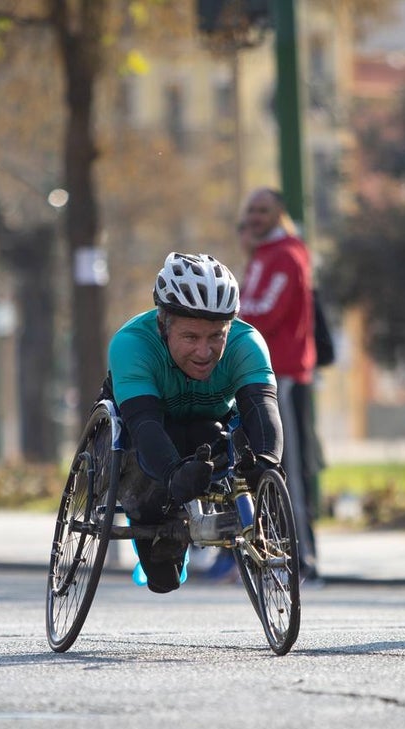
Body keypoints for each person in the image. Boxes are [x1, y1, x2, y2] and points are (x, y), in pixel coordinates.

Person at [104, 251, 283, 594]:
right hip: (146, 440)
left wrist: (266, 464)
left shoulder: (247, 344)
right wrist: (173, 474)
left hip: (207, 430)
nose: (204, 352)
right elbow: (144, 426)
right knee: (163, 579)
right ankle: (157, 517)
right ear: (163, 323)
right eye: (190, 337)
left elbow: (263, 409)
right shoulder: (132, 344)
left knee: (258, 456)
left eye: (216, 336)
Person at [237, 188, 321, 581]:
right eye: (251, 209)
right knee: (266, 464)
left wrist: (228, 315)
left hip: (282, 373)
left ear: (278, 213)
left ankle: (304, 560)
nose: (255, 216)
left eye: (263, 210)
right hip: (259, 369)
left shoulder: (287, 255)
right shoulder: (262, 255)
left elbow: (266, 311)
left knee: (288, 468)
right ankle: (275, 552)